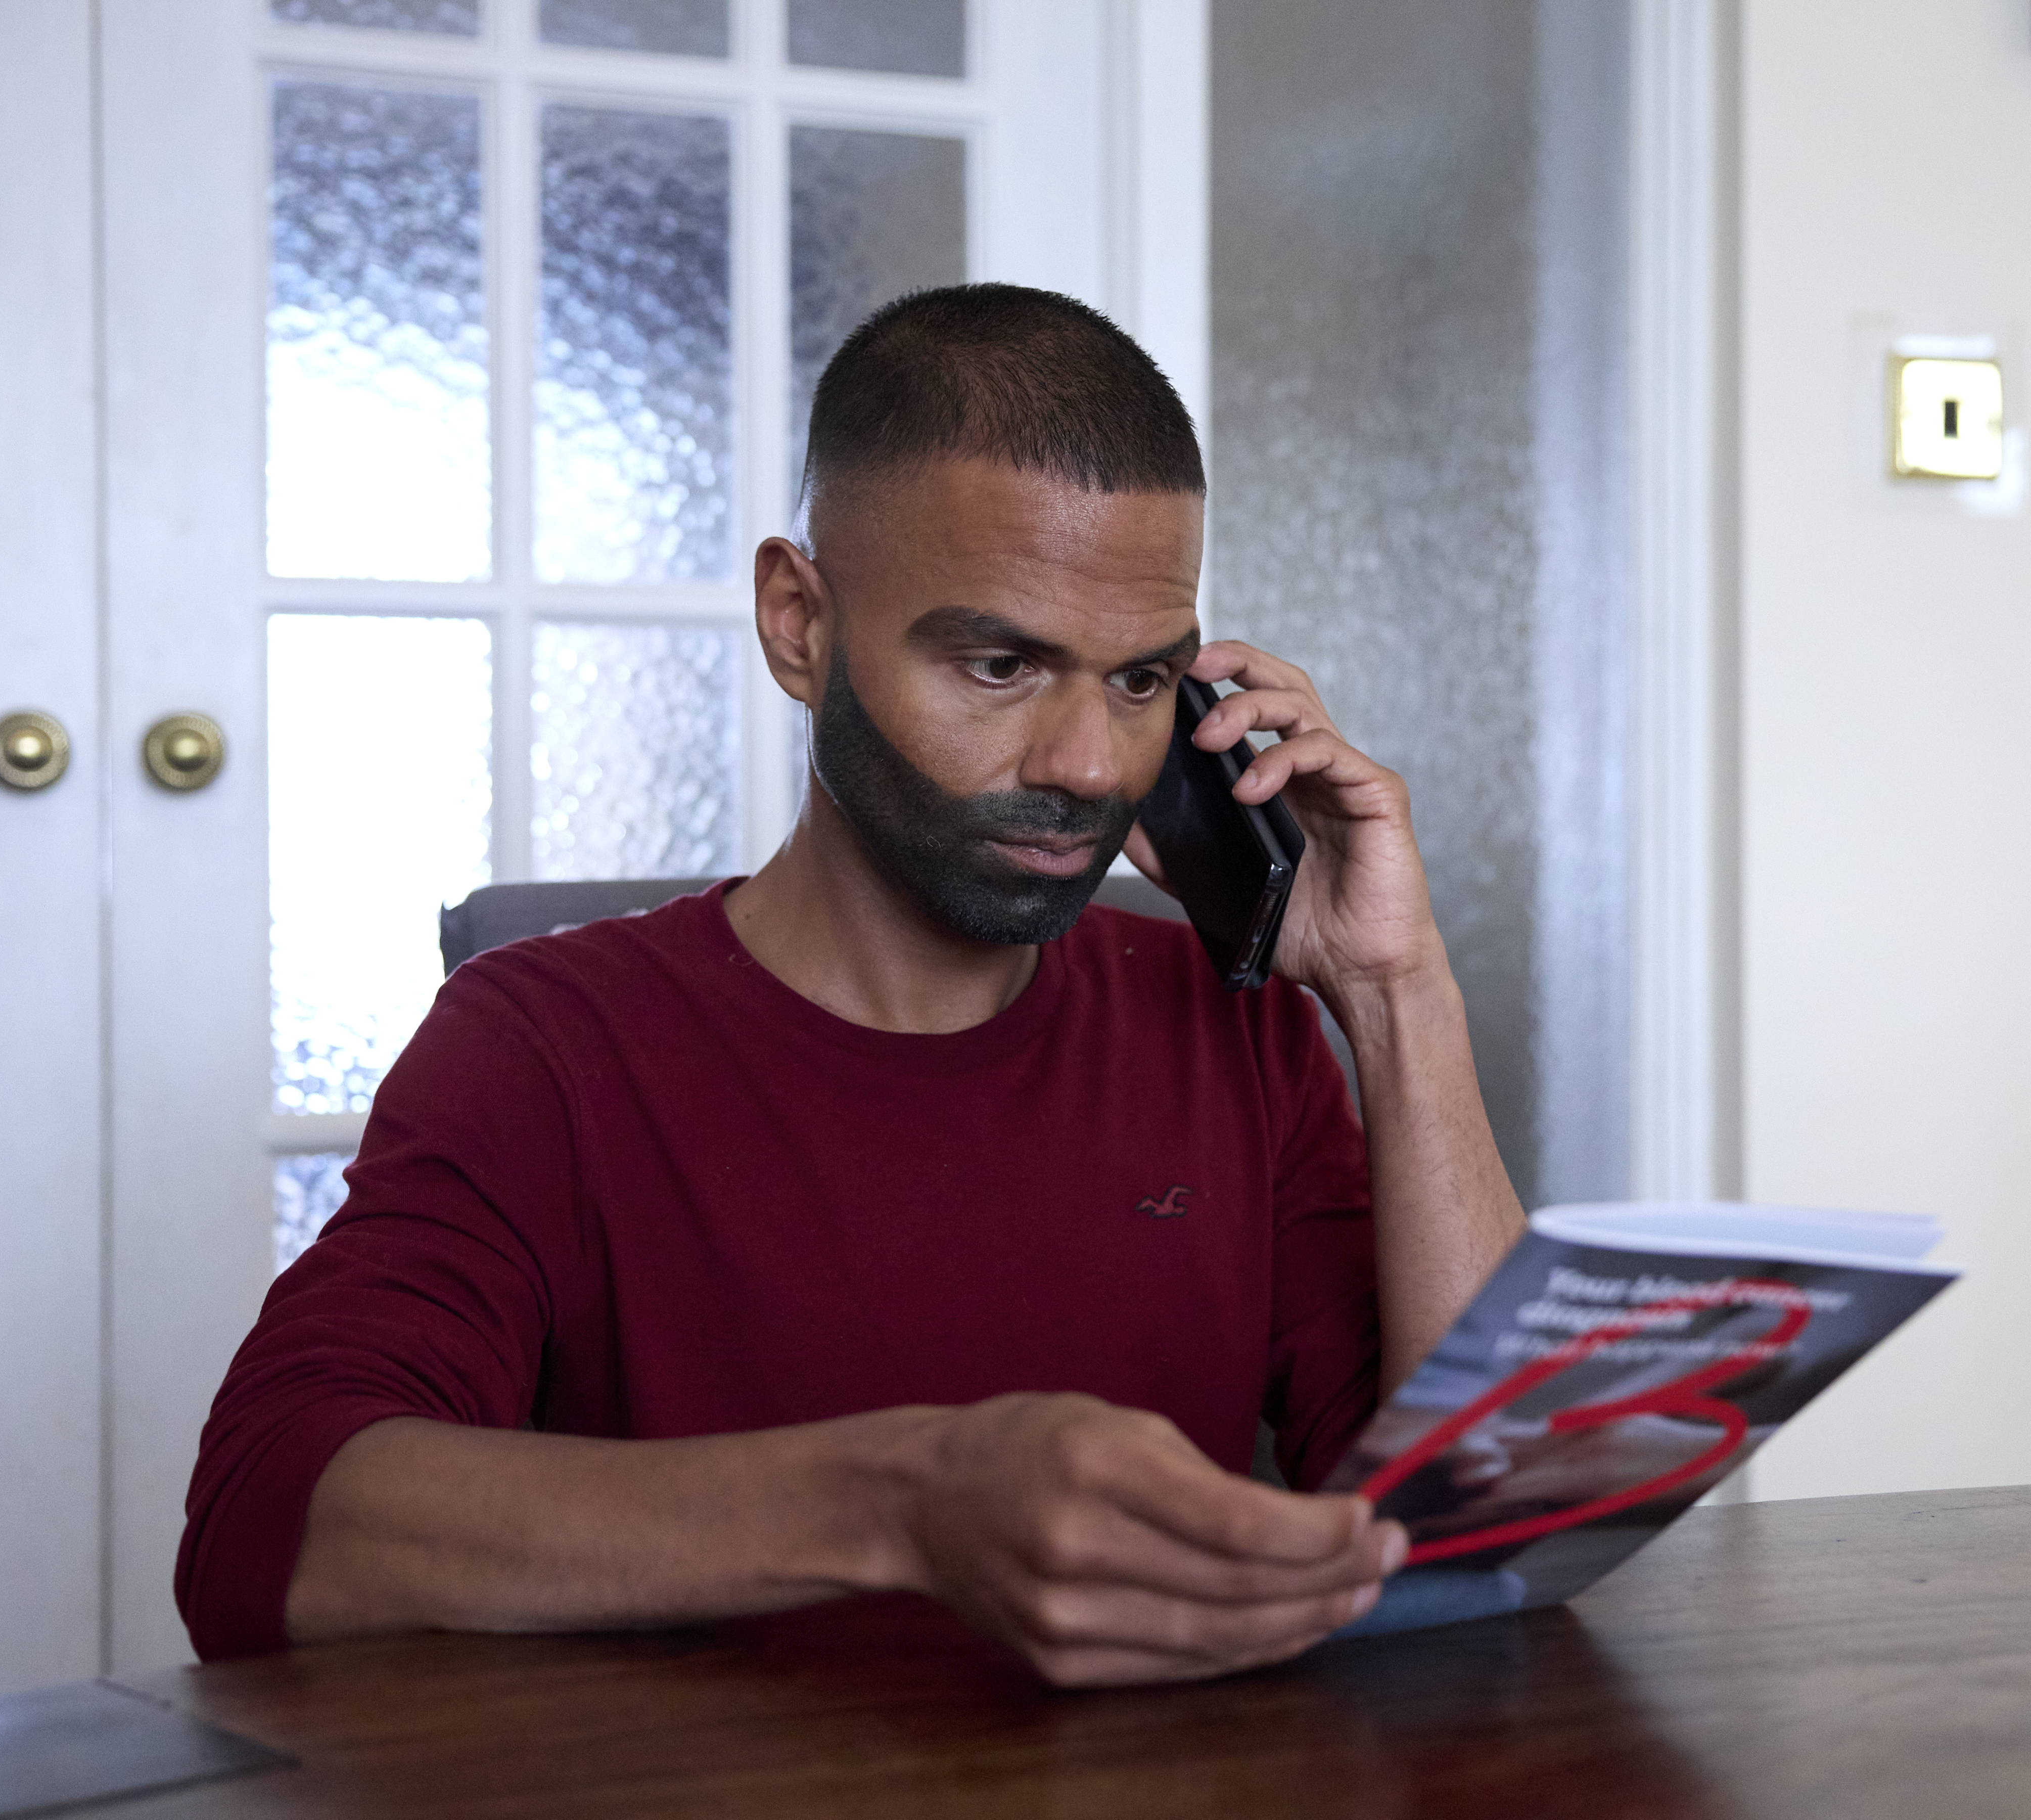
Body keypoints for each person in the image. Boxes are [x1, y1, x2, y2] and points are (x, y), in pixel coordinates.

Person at [177, 284, 1526, 1687]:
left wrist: (1391, 990)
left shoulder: (1223, 1024)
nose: (1084, 763)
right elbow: (266, 1537)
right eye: (1000, 664)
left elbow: (1479, 1527)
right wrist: (904, 1502)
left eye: (1139, 682)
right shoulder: (548, 1045)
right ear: (799, 622)